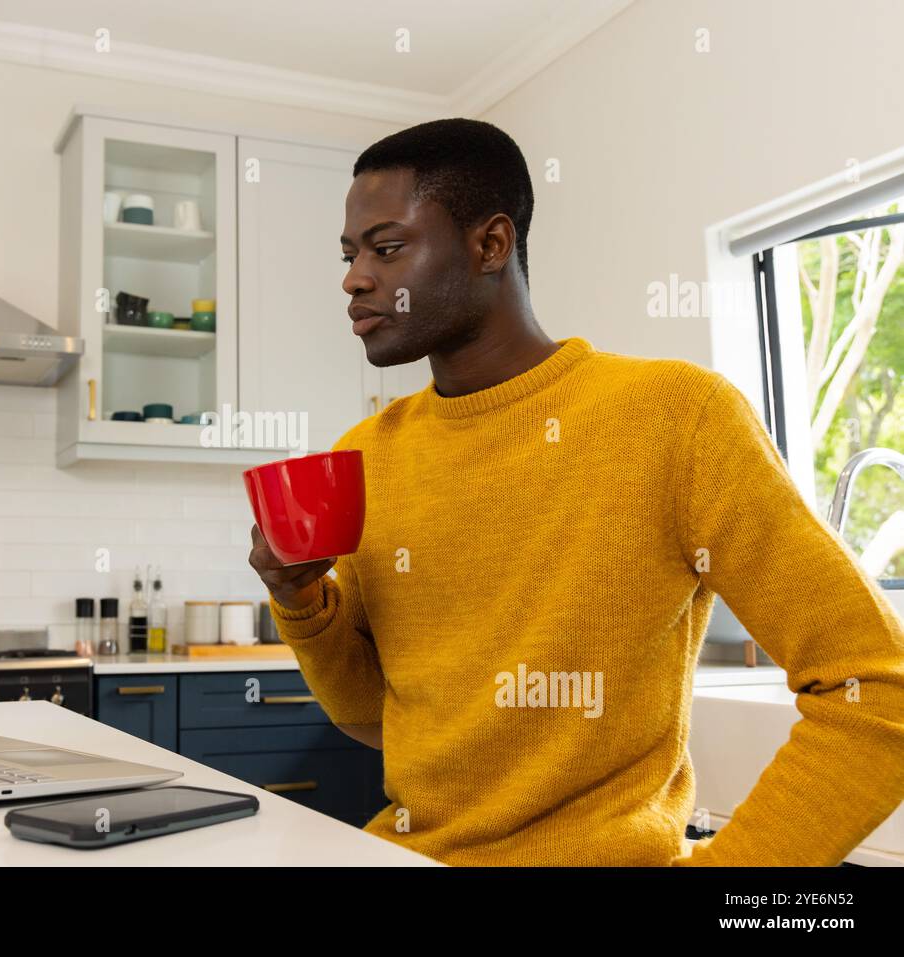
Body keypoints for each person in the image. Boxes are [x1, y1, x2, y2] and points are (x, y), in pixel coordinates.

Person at [248, 118, 904, 866]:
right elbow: (376, 718)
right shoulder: (365, 455)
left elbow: (877, 693)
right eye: (350, 253)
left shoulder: (674, 417)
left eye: (387, 247)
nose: (355, 277)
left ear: (490, 245)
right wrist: (300, 600)